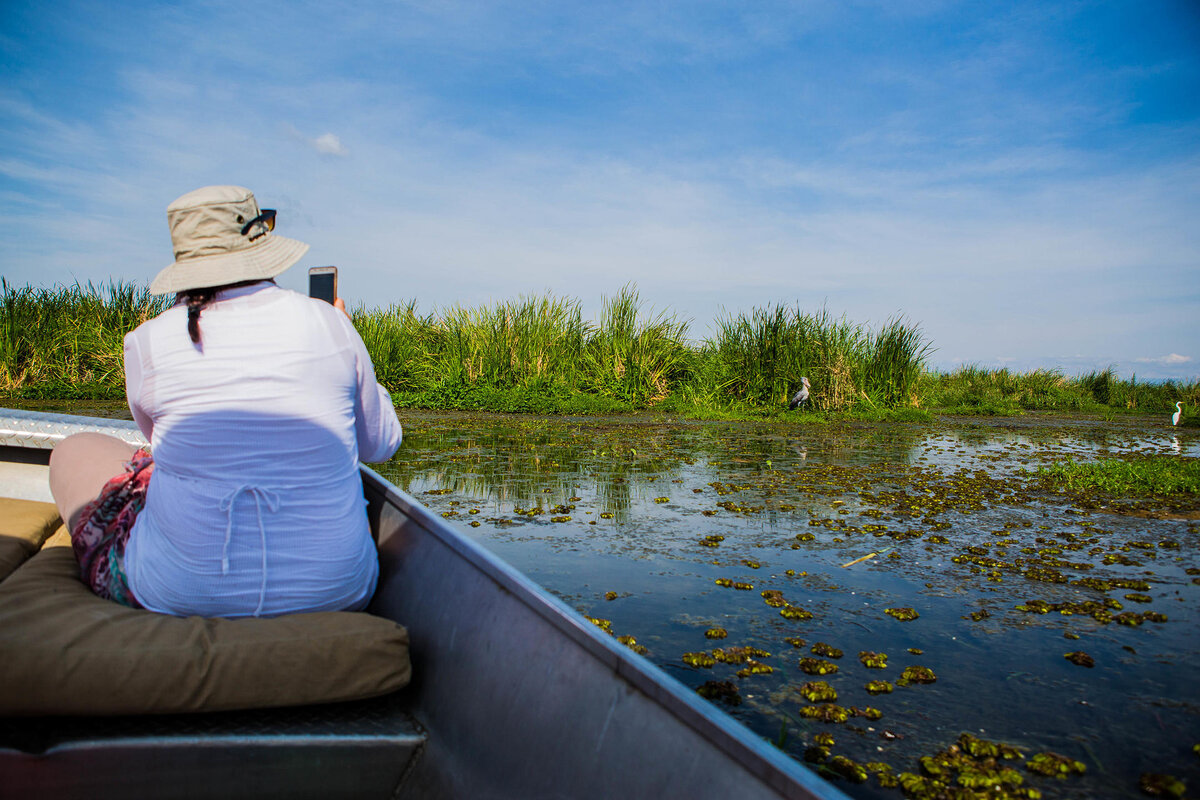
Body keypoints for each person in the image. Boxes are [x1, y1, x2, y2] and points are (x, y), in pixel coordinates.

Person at [48, 185, 402, 618]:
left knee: (72, 451)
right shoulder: (329, 323)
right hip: (339, 592)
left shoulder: (147, 341)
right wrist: (352, 342)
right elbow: (380, 445)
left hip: (176, 594)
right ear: (261, 243)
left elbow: (157, 442)